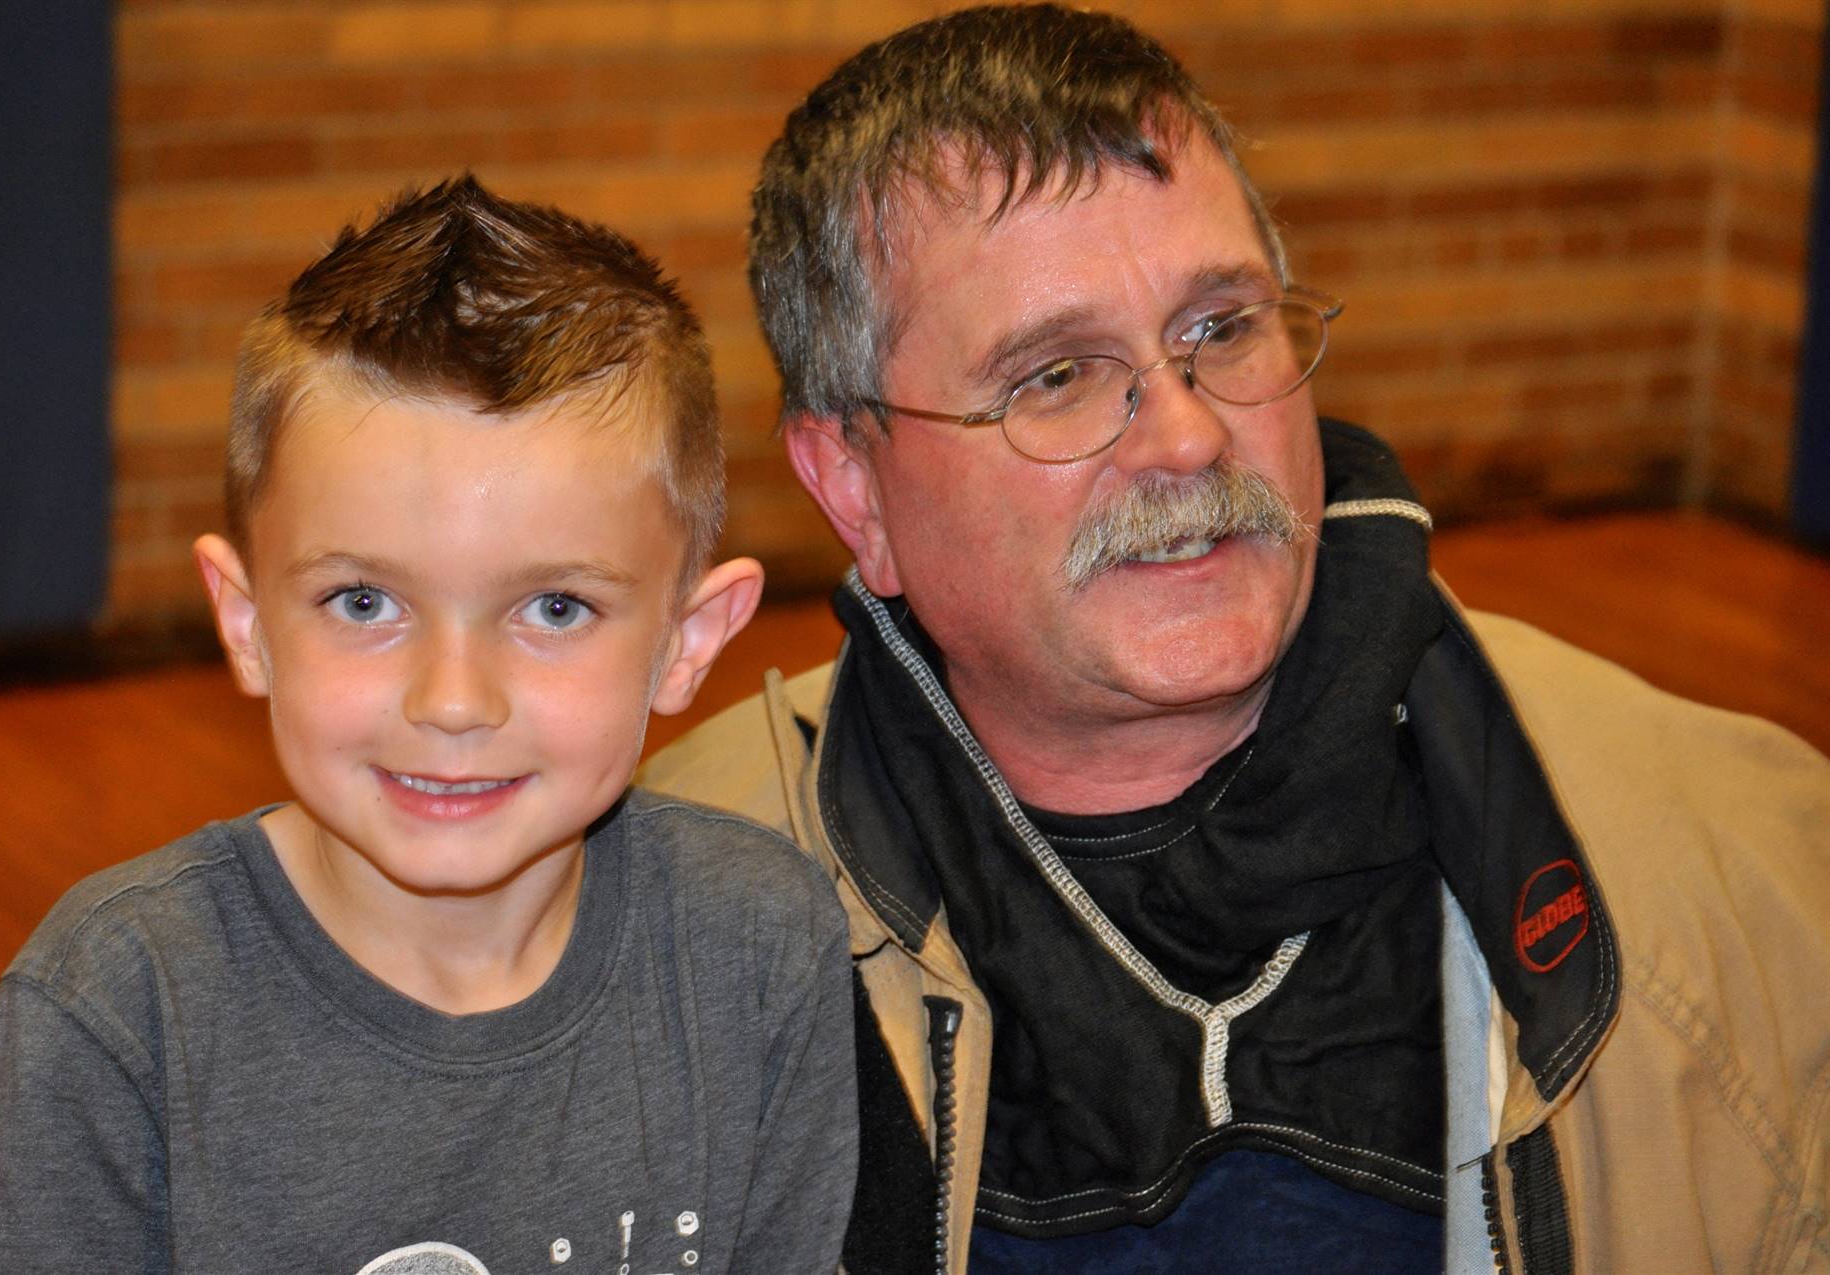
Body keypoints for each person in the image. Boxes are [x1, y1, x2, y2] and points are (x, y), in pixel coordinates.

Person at [638, 6, 1830, 1273]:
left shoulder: (1757, 866)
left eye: (1221, 330)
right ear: (853, 488)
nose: (1189, 439)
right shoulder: (651, 932)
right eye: (1057, 377)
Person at [0, 176, 856, 1274]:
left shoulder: (761, 946)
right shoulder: (115, 1008)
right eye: (365, 602)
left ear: (688, 642)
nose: (453, 700)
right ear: (246, 624)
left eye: (555, 608)